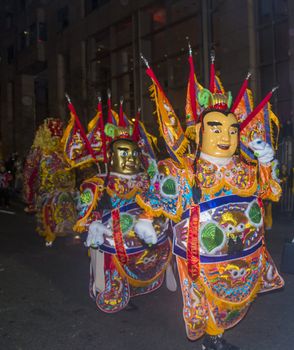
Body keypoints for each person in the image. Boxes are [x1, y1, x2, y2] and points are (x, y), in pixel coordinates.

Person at [137, 52, 284, 349]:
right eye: (216, 128)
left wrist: (267, 162)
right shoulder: (185, 171)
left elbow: (272, 192)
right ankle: (213, 339)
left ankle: (215, 336)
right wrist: (145, 221)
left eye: (232, 129)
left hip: (241, 252)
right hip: (199, 254)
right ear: (200, 131)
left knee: (232, 300)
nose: (226, 136)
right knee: (204, 301)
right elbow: (158, 200)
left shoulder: (245, 168)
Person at [73, 100, 172, 313]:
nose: (130, 159)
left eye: (133, 153)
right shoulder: (99, 183)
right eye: (123, 154)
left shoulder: (144, 178)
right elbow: (86, 214)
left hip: (138, 228)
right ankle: (112, 291)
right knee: (112, 252)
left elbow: (153, 199)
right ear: (110, 156)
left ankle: (134, 286)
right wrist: (95, 222)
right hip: (112, 233)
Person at [23, 118, 77, 246]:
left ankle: (67, 229)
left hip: (67, 187)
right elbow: (29, 171)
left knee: (70, 204)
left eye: (59, 132)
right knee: (49, 207)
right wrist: (29, 194)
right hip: (47, 188)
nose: (56, 137)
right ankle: (50, 233)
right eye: (53, 133)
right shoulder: (39, 151)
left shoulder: (65, 150)